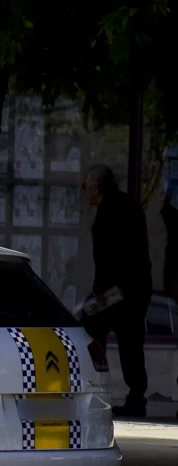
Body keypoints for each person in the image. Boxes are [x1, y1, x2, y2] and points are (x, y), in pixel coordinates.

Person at [80, 165, 152, 417]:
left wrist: (100, 291)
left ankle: (92, 390)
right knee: (131, 344)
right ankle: (136, 398)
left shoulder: (107, 213)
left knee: (89, 333)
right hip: (136, 288)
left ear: (96, 188)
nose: (84, 193)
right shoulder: (132, 207)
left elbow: (107, 258)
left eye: (85, 187)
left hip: (115, 292)